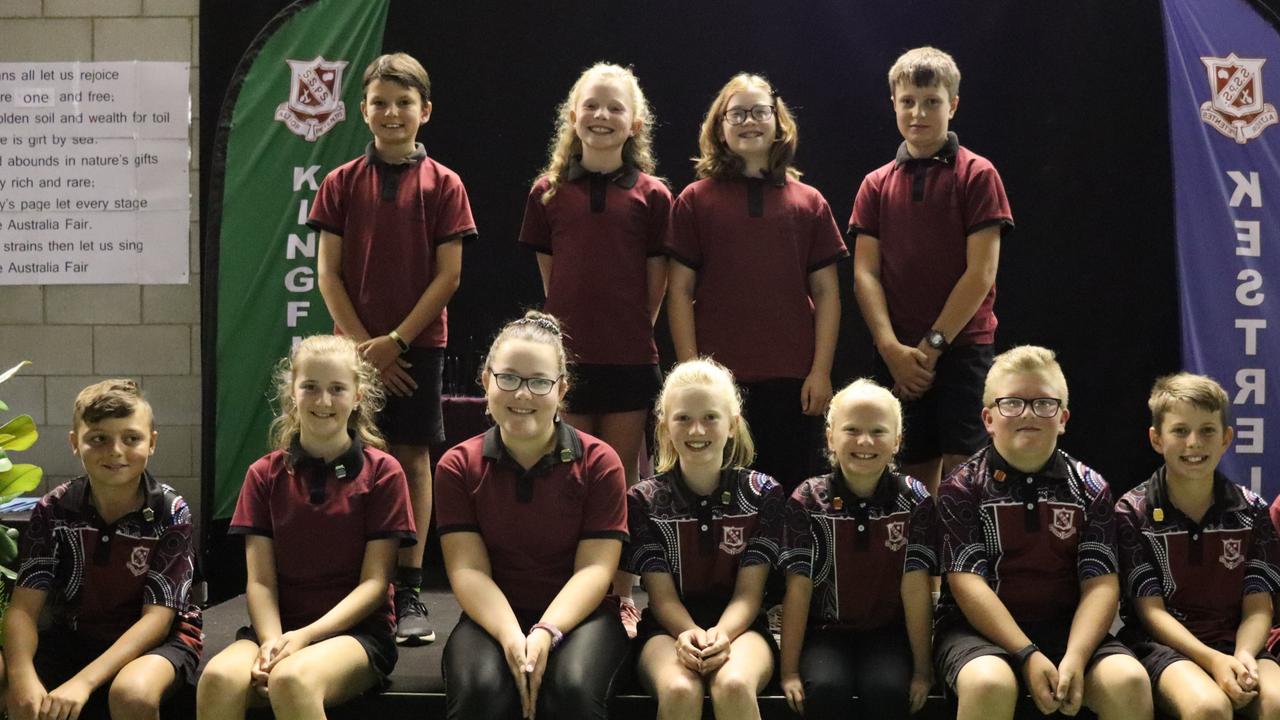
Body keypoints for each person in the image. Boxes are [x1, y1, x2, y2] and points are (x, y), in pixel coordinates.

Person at [311, 52, 479, 644]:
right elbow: (327, 276)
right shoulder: (339, 183)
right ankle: (353, 586)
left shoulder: (446, 185)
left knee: (411, 459)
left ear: (425, 111)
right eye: (380, 102)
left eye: (404, 103)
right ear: (363, 110)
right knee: (346, 458)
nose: (391, 112)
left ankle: (408, 590)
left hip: (417, 349)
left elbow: (449, 276)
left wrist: (397, 342)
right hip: (348, 358)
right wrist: (363, 350)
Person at [518, 61, 672, 635]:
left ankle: (622, 593)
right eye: (592, 106)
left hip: (631, 360)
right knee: (570, 477)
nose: (603, 116)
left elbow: (655, 284)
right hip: (570, 366)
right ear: (573, 117)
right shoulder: (548, 192)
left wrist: (630, 332)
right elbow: (552, 279)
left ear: (634, 122)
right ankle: (569, 594)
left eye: (615, 107)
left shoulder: (654, 195)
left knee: (625, 482)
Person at [197, 335, 416, 719]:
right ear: (292, 394)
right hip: (278, 631)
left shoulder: (384, 473)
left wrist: (304, 638)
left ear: (358, 396)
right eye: (310, 387)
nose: (323, 401)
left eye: (337, 389)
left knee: (292, 680)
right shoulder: (263, 475)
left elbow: (375, 585)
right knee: (217, 679)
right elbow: (261, 582)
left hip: (356, 635)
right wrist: (271, 642)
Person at [934, 345, 1152, 720]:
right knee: (990, 685)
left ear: (1063, 417)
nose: (1028, 414)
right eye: (1012, 403)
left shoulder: (1090, 486)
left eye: (1043, 404)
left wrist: (1076, 657)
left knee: (1128, 681)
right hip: (977, 633)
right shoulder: (961, 487)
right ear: (988, 418)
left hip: (1068, 630)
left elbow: (1101, 585)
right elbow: (967, 585)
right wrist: (1027, 654)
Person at [436, 311, 629, 720]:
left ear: (561, 390)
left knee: (572, 691)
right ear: (486, 380)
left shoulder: (600, 462)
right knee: (479, 694)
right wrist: (511, 637)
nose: (522, 394)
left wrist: (545, 632)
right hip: (493, 616)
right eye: (508, 378)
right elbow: (468, 571)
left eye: (539, 382)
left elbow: (595, 570)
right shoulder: (457, 465)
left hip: (582, 618)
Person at [666, 72, 847, 492]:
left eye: (760, 112)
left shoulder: (810, 202)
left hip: (793, 380)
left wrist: (820, 372)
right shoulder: (695, 200)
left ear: (778, 122)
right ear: (720, 127)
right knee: (724, 493)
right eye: (737, 113)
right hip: (720, 385)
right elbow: (679, 291)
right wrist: (692, 374)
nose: (749, 121)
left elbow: (827, 294)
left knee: (790, 492)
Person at [849, 46, 1014, 492]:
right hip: (897, 353)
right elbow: (865, 273)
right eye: (908, 102)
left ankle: (960, 564)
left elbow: (980, 274)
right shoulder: (875, 184)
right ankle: (918, 564)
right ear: (894, 104)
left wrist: (931, 348)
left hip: (961, 348)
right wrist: (891, 350)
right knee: (908, 475)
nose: (918, 112)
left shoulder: (978, 174)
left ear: (953, 104)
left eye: (931, 101)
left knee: (963, 474)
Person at [3, 379, 201, 720]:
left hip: (159, 642)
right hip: (76, 636)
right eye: (98, 439)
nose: (116, 451)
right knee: (17, 686)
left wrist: (83, 683)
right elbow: (23, 607)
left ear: (152, 442)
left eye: (131, 438)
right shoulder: (55, 509)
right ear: (74, 443)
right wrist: (22, 678)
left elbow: (156, 621)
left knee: (132, 694)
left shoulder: (172, 511)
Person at [626, 358, 784, 720]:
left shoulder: (763, 494)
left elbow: (749, 594)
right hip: (667, 630)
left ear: (732, 425)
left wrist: (720, 636)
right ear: (664, 427)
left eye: (710, 417)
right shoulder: (643, 500)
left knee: (733, 685)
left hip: (743, 629)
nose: (697, 430)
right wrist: (690, 634)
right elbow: (661, 598)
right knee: (680, 689)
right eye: (683, 418)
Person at [1116, 372, 1280, 718]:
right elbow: (1151, 612)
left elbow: (1258, 607)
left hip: (1238, 644)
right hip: (1162, 647)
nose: (1194, 442)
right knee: (1209, 707)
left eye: (1207, 430)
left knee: (1275, 702)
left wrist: (1244, 655)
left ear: (1226, 438)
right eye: (1180, 430)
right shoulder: (1132, 511)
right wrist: (1213, 661)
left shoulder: (1252, 511)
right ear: (1157, 438)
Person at [778, 378, 935, 718]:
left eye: (878, 431)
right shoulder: (807, 499)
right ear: (830, 437)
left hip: (887, 634)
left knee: (888, 690)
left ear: (897, 441)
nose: (865, 441)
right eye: (852, 429)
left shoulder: (915, 500)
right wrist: (788, 670)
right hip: (825, 633)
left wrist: (924, 670)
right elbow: (799, 589)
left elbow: (916, 589)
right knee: (826, 688)